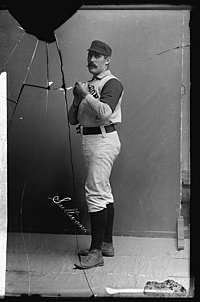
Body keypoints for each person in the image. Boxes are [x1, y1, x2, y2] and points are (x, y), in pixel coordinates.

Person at [68, 40, 124, 269]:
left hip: (103, 139)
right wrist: (77, 98)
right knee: (104, 193)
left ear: (107, 60)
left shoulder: (112, 82)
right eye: (90, 55)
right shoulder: (88, 85)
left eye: (97, 56)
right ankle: (106, 245)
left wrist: (85, 95)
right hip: (90, 139)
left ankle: (95, 252)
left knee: (95, 193)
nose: (92, 60)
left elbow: (104, 112)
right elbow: (72, 120)